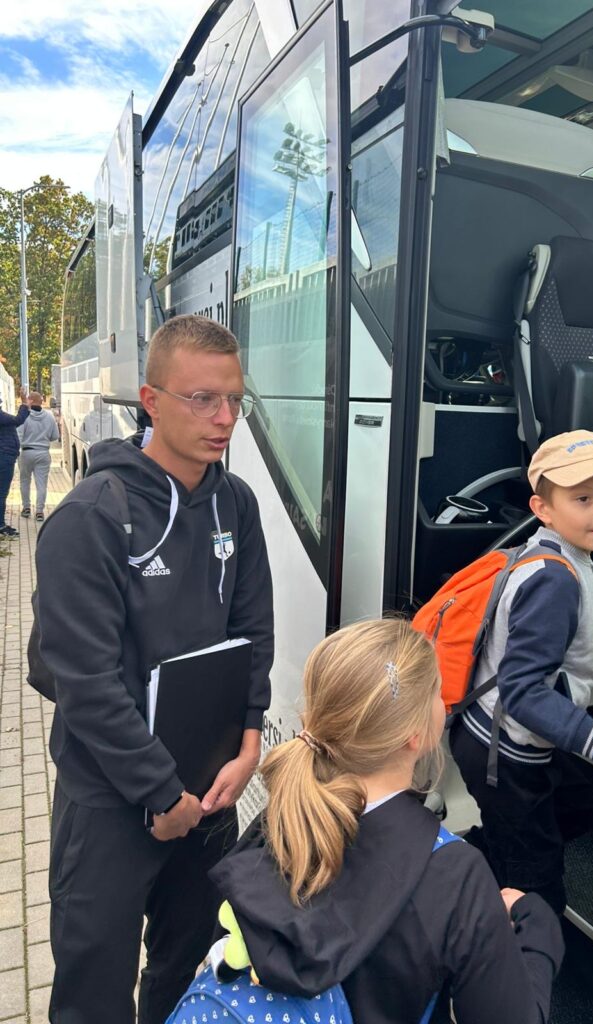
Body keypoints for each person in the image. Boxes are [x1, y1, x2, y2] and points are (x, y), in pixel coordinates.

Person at [35, 314, 274, 1024]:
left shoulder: (236, 503)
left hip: (207, 792)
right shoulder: (91, 517)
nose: (224, 418)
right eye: (203, 399)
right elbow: (85, 683)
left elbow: (253, 632)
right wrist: (160, 794)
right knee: (95, 992)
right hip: (110, 799)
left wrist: (250, 744)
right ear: (152, 400)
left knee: (185, 966)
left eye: (235, 400)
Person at [208, 618, 564, 1024]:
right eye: (436, 692)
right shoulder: (455, 878)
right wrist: (537, 928)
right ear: (415, 734)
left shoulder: (280, 820)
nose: (443, 702)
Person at [450, 430, 593, 914]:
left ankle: (490, 858)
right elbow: (523, 692)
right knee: (540, 891)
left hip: (507, 738)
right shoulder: (552, 578)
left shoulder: (569, 556)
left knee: (580, 806)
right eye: (584, 499)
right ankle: (508, 915)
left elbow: (585, 635)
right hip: (503, 753)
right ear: (542, 508)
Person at [17, 390, 59, 521]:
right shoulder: (49, 416)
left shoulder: (25, 416)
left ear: (30, 400)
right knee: (41, 484)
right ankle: (40, 511)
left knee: (25, 481)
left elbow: (19, 435)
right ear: (41, 401)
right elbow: (55, 436)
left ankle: (26, 508)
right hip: (43, 453)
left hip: (26, 452)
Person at [0, 389, 30, 538]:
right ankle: (0, 525)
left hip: (5, 455)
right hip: (4, 457)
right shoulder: (1, 417)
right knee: (2, 493)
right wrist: (24, 403)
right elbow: (18, 420)